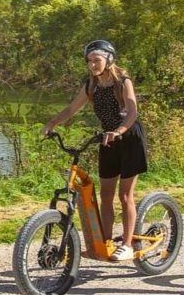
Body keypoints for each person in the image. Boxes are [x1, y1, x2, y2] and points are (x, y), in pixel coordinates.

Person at [42, 39, 148, 262]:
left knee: (125, 195)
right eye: (89, 61)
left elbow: (132, 112)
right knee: (106, 195)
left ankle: (128, 244)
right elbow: (72, 108)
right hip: (108, 139)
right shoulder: (92, 84)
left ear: (109, 59)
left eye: (96, 60)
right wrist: (52, 123)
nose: (92, 65)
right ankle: (105, 242)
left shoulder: (122, 81)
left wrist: (119, 130)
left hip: (129, 138)